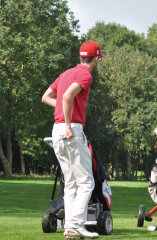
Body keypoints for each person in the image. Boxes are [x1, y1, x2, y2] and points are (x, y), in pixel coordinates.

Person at [42, 40, 106, 239]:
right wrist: (69, 124)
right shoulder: (85, 75)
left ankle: (70, 226)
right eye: (99, 60)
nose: (98, 63)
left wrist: (62, 112)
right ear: (95, 59)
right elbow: (68, 96)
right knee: (86, 182)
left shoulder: (65, 73)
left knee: (70, 183)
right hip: (71, 130)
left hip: (56, 130)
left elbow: (46, 97)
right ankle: (77, 225)